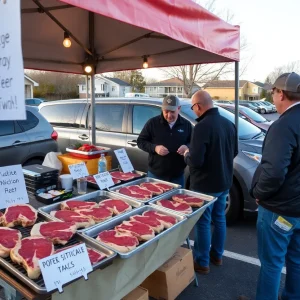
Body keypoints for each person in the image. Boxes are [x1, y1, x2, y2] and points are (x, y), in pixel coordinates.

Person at [239, 73, 300, 300]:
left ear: (280, 94)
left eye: (273, 93)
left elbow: (273, 173)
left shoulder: (284, 125)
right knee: (296, 261)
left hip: (279, 210)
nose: (273, 98)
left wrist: (258, 193)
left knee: (272, 264)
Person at [183, 91, 238, 274]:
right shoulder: (229, 124)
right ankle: (217, 255)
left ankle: (202, 261)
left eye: (193, 107)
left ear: (198, 106)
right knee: (219, 219)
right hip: (224, 182)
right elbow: (234, 152)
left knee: (203, 222)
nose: (194, 111)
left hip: (205, 185)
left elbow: (196, 161)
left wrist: (186, 154)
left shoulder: (201, 127)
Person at [137, 95, 192, 187]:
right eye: (166, 111)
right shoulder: (152, 123)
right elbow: (140, 141)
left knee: (177, 200)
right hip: (156, 175)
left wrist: (187, 147)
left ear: (179, 109)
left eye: (172, 112)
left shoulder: (186, 125)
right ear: (162, 109)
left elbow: (193, 143)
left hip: (177, 176)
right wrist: (155, 148)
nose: (169, 115)